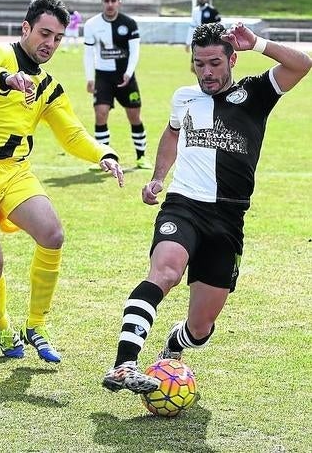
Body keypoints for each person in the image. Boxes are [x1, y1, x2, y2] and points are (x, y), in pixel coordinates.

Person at [102, 22, 312, 394]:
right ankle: (124, 364)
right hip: (183, 206)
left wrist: (258, 44)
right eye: (200, 64)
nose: (207, 72)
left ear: (232, 59)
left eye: (215, 63)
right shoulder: (184, 97)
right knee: (164, 273)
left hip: (229, 218)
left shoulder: (256, 93)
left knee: (200, 328)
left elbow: (302, 64)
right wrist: (157, 177)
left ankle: (175, 346)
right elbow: (171, 133)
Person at [0, 0, 124, 364]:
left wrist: (103, 153)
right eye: (44, 34)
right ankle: (2, 325)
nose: (50, 44)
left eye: (57, 38)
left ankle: (37, 325)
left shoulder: (48, 87)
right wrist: (7, 79)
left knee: (52, 234)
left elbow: (71, 133)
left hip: (13, 173)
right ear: (25, 28)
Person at [83, 0, 151, 170]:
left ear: (119, 2)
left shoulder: (129, 24)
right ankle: (105, 158)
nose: (110, 4)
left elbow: (135, 51)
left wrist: (128, 73)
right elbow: (88, 54)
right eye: (106, 1)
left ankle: (141, 157)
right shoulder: (91, 25)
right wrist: (90, 78)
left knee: (134, 116)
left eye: (113, 1)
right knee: (100, 114)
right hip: (103, 77)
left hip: (126, 77)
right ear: (102, 2)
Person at [185, 0, 221, 73]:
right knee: (194, 68)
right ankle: (202, 84)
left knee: (208, 66)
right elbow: (192, 27)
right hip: (198, 41)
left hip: (209, 42)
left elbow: (220, 26)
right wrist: (188, 43)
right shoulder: (195, 11)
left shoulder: (212, 11)